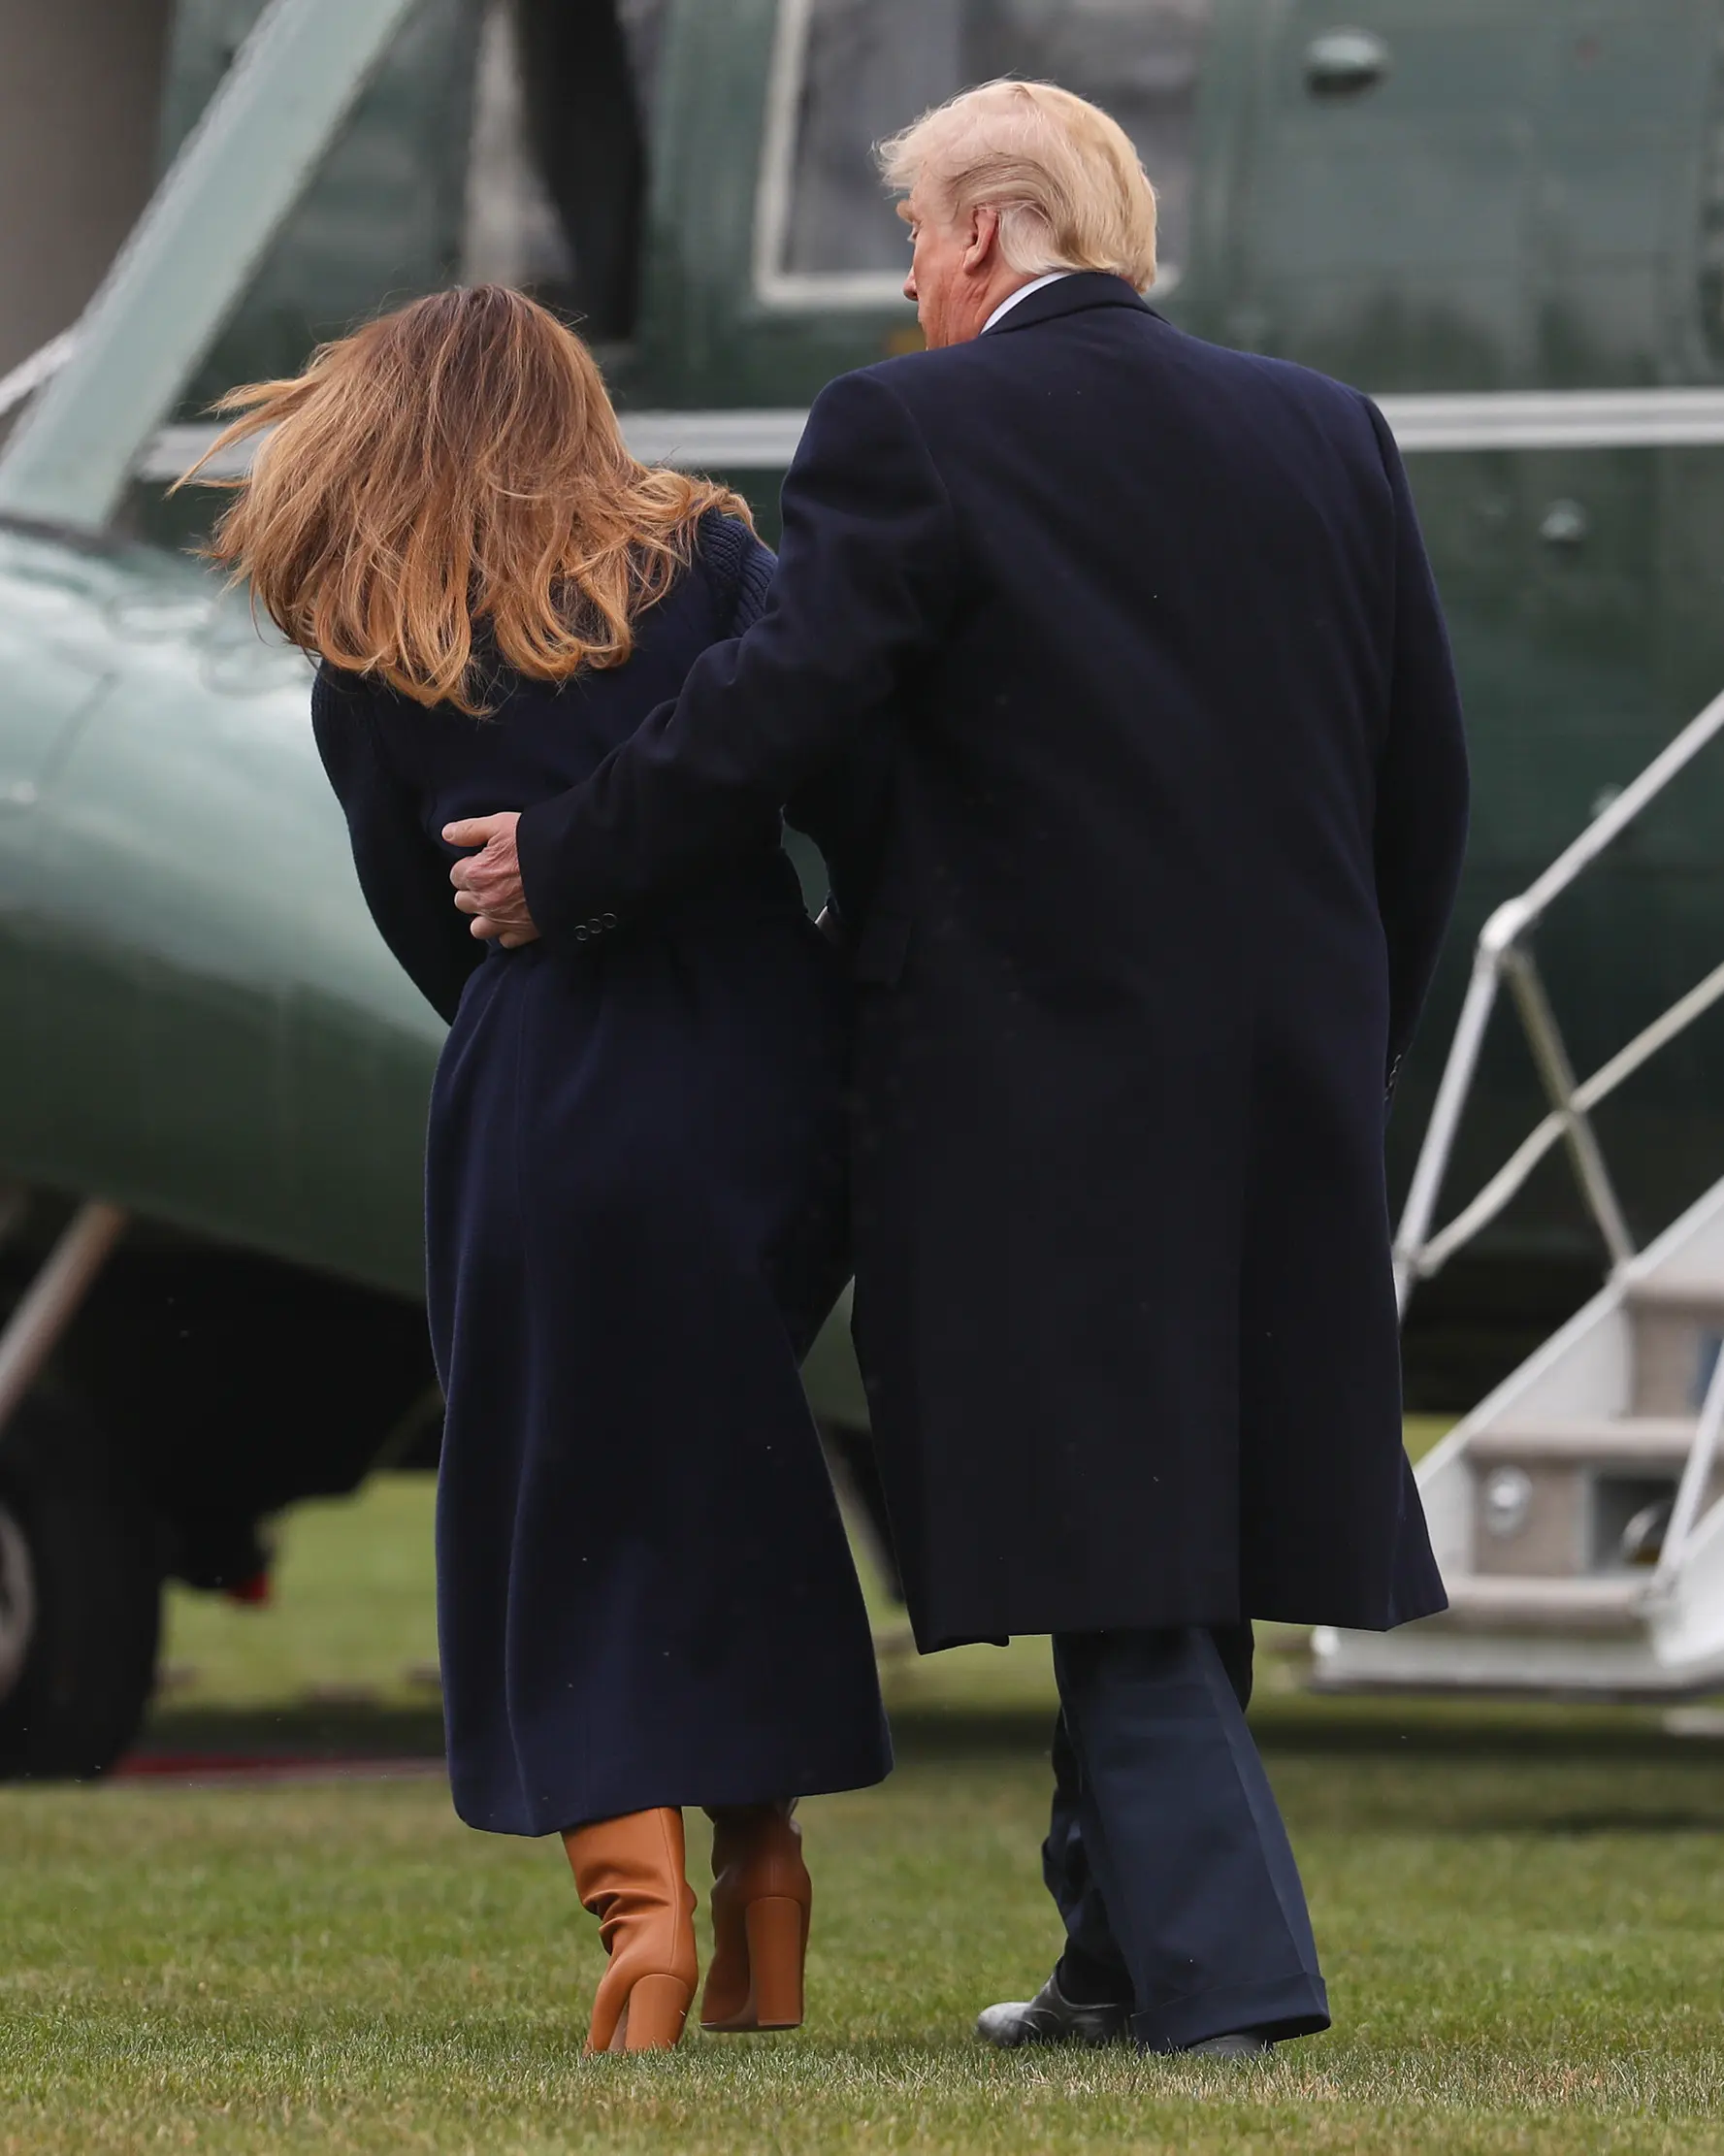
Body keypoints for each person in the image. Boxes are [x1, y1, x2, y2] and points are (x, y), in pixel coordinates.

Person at [452, 80, 1472, 2054]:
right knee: (1188, 1507)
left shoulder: (910, 427)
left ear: (990, 233)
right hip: (1284, 1066)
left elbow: (781, 702)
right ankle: (1116, 1954)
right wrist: (1354, 1029)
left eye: (918, 236)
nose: (910, 277)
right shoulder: (1324, 429)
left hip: (1039, 1074)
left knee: (1116, 1527)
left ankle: (1234, 1985)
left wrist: (566, 856)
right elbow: (1418, 780)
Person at [179, 287, 891, 2055]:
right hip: (761, 1065)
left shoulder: (381, 646)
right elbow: (830, 764)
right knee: (730, 1468)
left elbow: (426, 925)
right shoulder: (717, 560)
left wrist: (539, 1005)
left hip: (550, 1080)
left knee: (559, 1498)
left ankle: (637, 1928)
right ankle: (764, 1908)